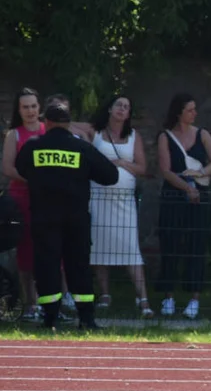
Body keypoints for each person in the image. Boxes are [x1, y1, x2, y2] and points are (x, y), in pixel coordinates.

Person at [15, 100, 119, 329]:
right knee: (79, 266)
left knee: (47, 266)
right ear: (68, 124)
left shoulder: (33, 146)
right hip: (76, 219)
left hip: (44, 218)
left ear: (47, 122)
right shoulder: (81, 147)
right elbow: (111, 176)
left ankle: (50, 318)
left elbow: (21, 168)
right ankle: (86, 319)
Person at [85, 95, 153, 318]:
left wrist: (122, 163)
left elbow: (142, 168)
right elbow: (69, 125)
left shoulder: (134, 136)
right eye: (119, 105)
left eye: (127, 107)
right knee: (99, 247)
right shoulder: (95, 133)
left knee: (130, 248)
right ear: (110, 108)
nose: (123, 110)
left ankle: (143, 298)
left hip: (124, 201)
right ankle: (105, 294)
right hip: (98, 198)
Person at [157, 93, 211, 318]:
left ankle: (194, 298)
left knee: (197, 245)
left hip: (200, 196)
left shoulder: (202, 134)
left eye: (195, 109)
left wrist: (200, 174)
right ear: (179, 112)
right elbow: (165, 170)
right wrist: (187, 187)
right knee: (170, 243)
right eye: (190, 110)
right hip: (174, 196)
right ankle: (168, 297)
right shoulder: (165, 137)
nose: (195, 113)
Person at [2, 88, 46, 321]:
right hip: (21, 200)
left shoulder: (48, 131)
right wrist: (33, 180)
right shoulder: (14, 135)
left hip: (47, 200)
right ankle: (30, 303)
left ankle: (50, 301)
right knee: (26, 253)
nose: (30, 111)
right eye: (25, 107)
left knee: (48, 250)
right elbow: (7, 168)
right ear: (19, 110)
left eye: (33, 106)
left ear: (40, 108)